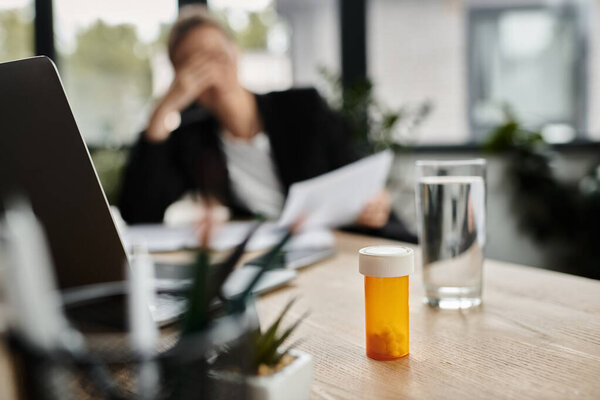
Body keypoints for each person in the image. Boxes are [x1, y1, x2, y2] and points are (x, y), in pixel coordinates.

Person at [119, 5, 416, 243]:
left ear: (236, 53)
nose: (207, 68)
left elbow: (355, 172)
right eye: (191, 62)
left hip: (340, 243)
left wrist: (374, 201)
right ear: (178, 77)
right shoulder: (192, 139)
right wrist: (162, 111)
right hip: (267, 255)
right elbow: (140, 213)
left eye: (215, 53)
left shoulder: (302, 107)